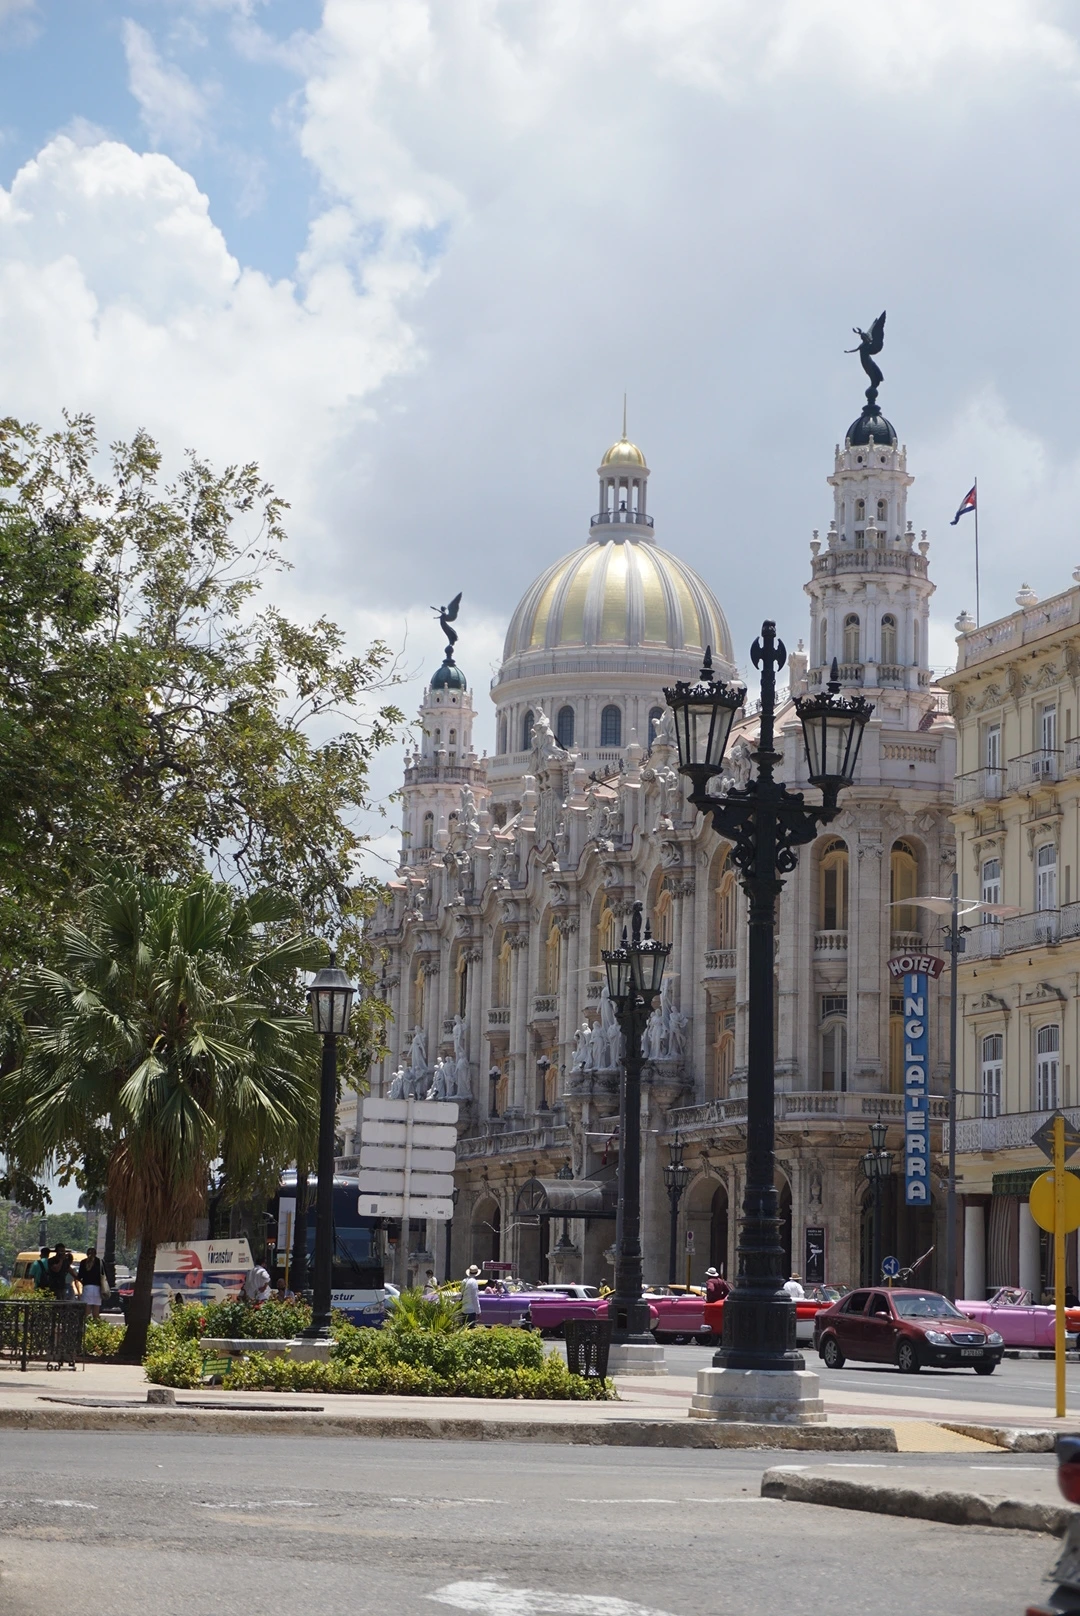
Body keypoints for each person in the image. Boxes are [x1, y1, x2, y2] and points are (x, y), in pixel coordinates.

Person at [77, 1246, 105, 1319]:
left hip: (87, 1288)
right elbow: (104, 1275)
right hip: (98, 1289)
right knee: (96, 1313)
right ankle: (96, 1324)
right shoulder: (100, 1262)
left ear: (87, 1254)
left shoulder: (83, 1262)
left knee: (86, 1312)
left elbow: (79, 1276)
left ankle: (86, 1324)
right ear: (95, 1254)